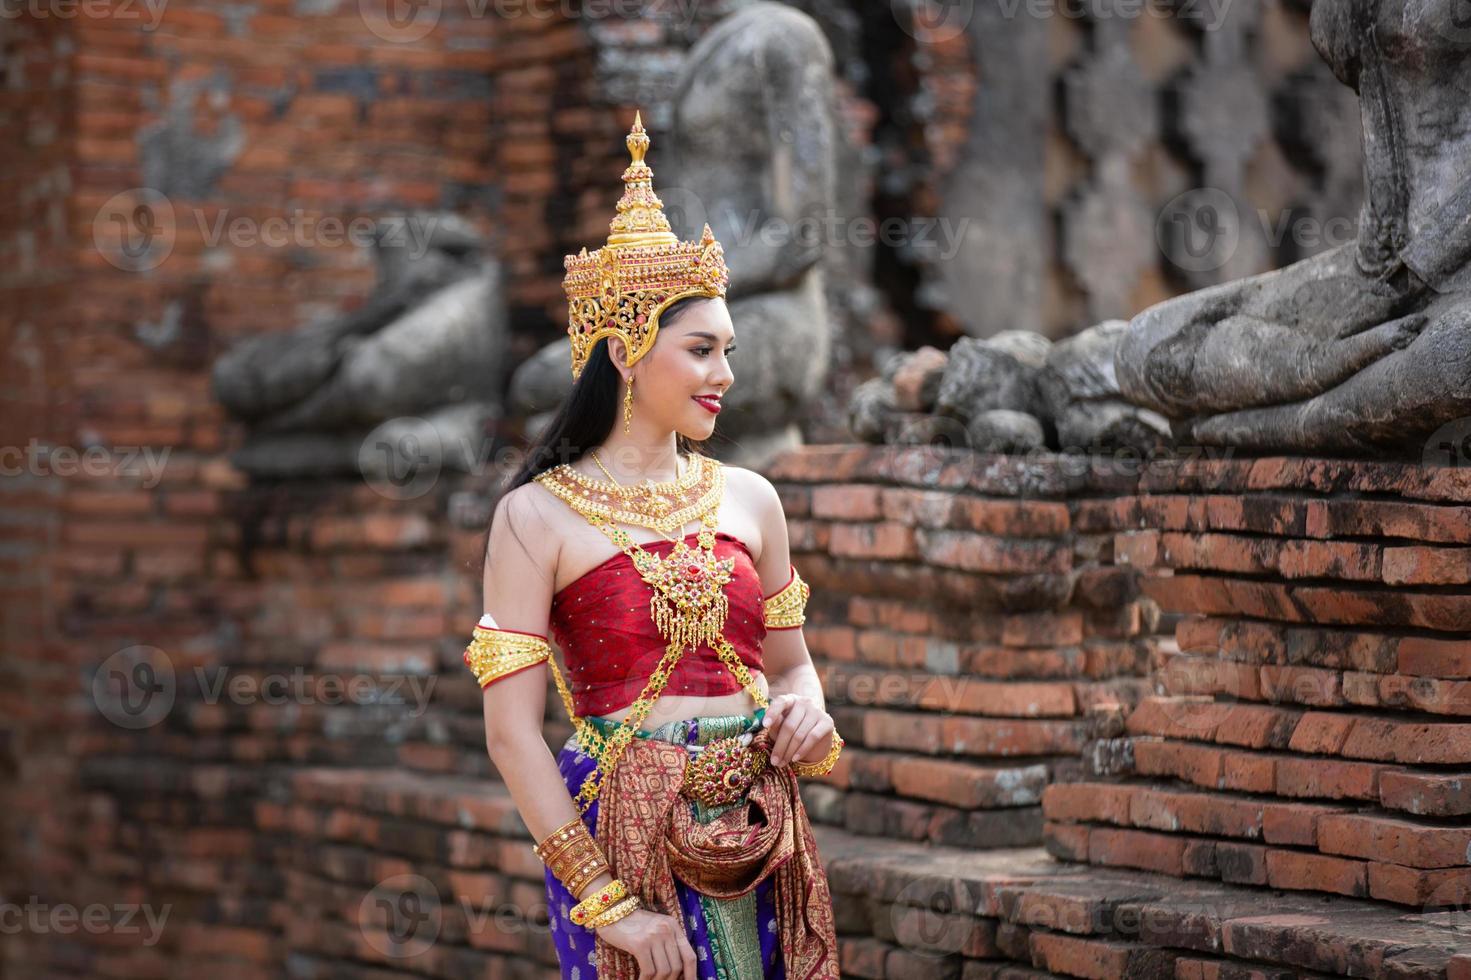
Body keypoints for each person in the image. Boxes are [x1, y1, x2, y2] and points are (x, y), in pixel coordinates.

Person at [464, 111, 843, 980]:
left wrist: (806, 709)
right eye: (702, 349)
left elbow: (789, 667)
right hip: (616, 841)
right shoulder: (535, 516)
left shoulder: (751, 499)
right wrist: (609, 907)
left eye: (729, 351)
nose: (726, 375)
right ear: (628, 349)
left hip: (760, 824)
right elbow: (510, 735)